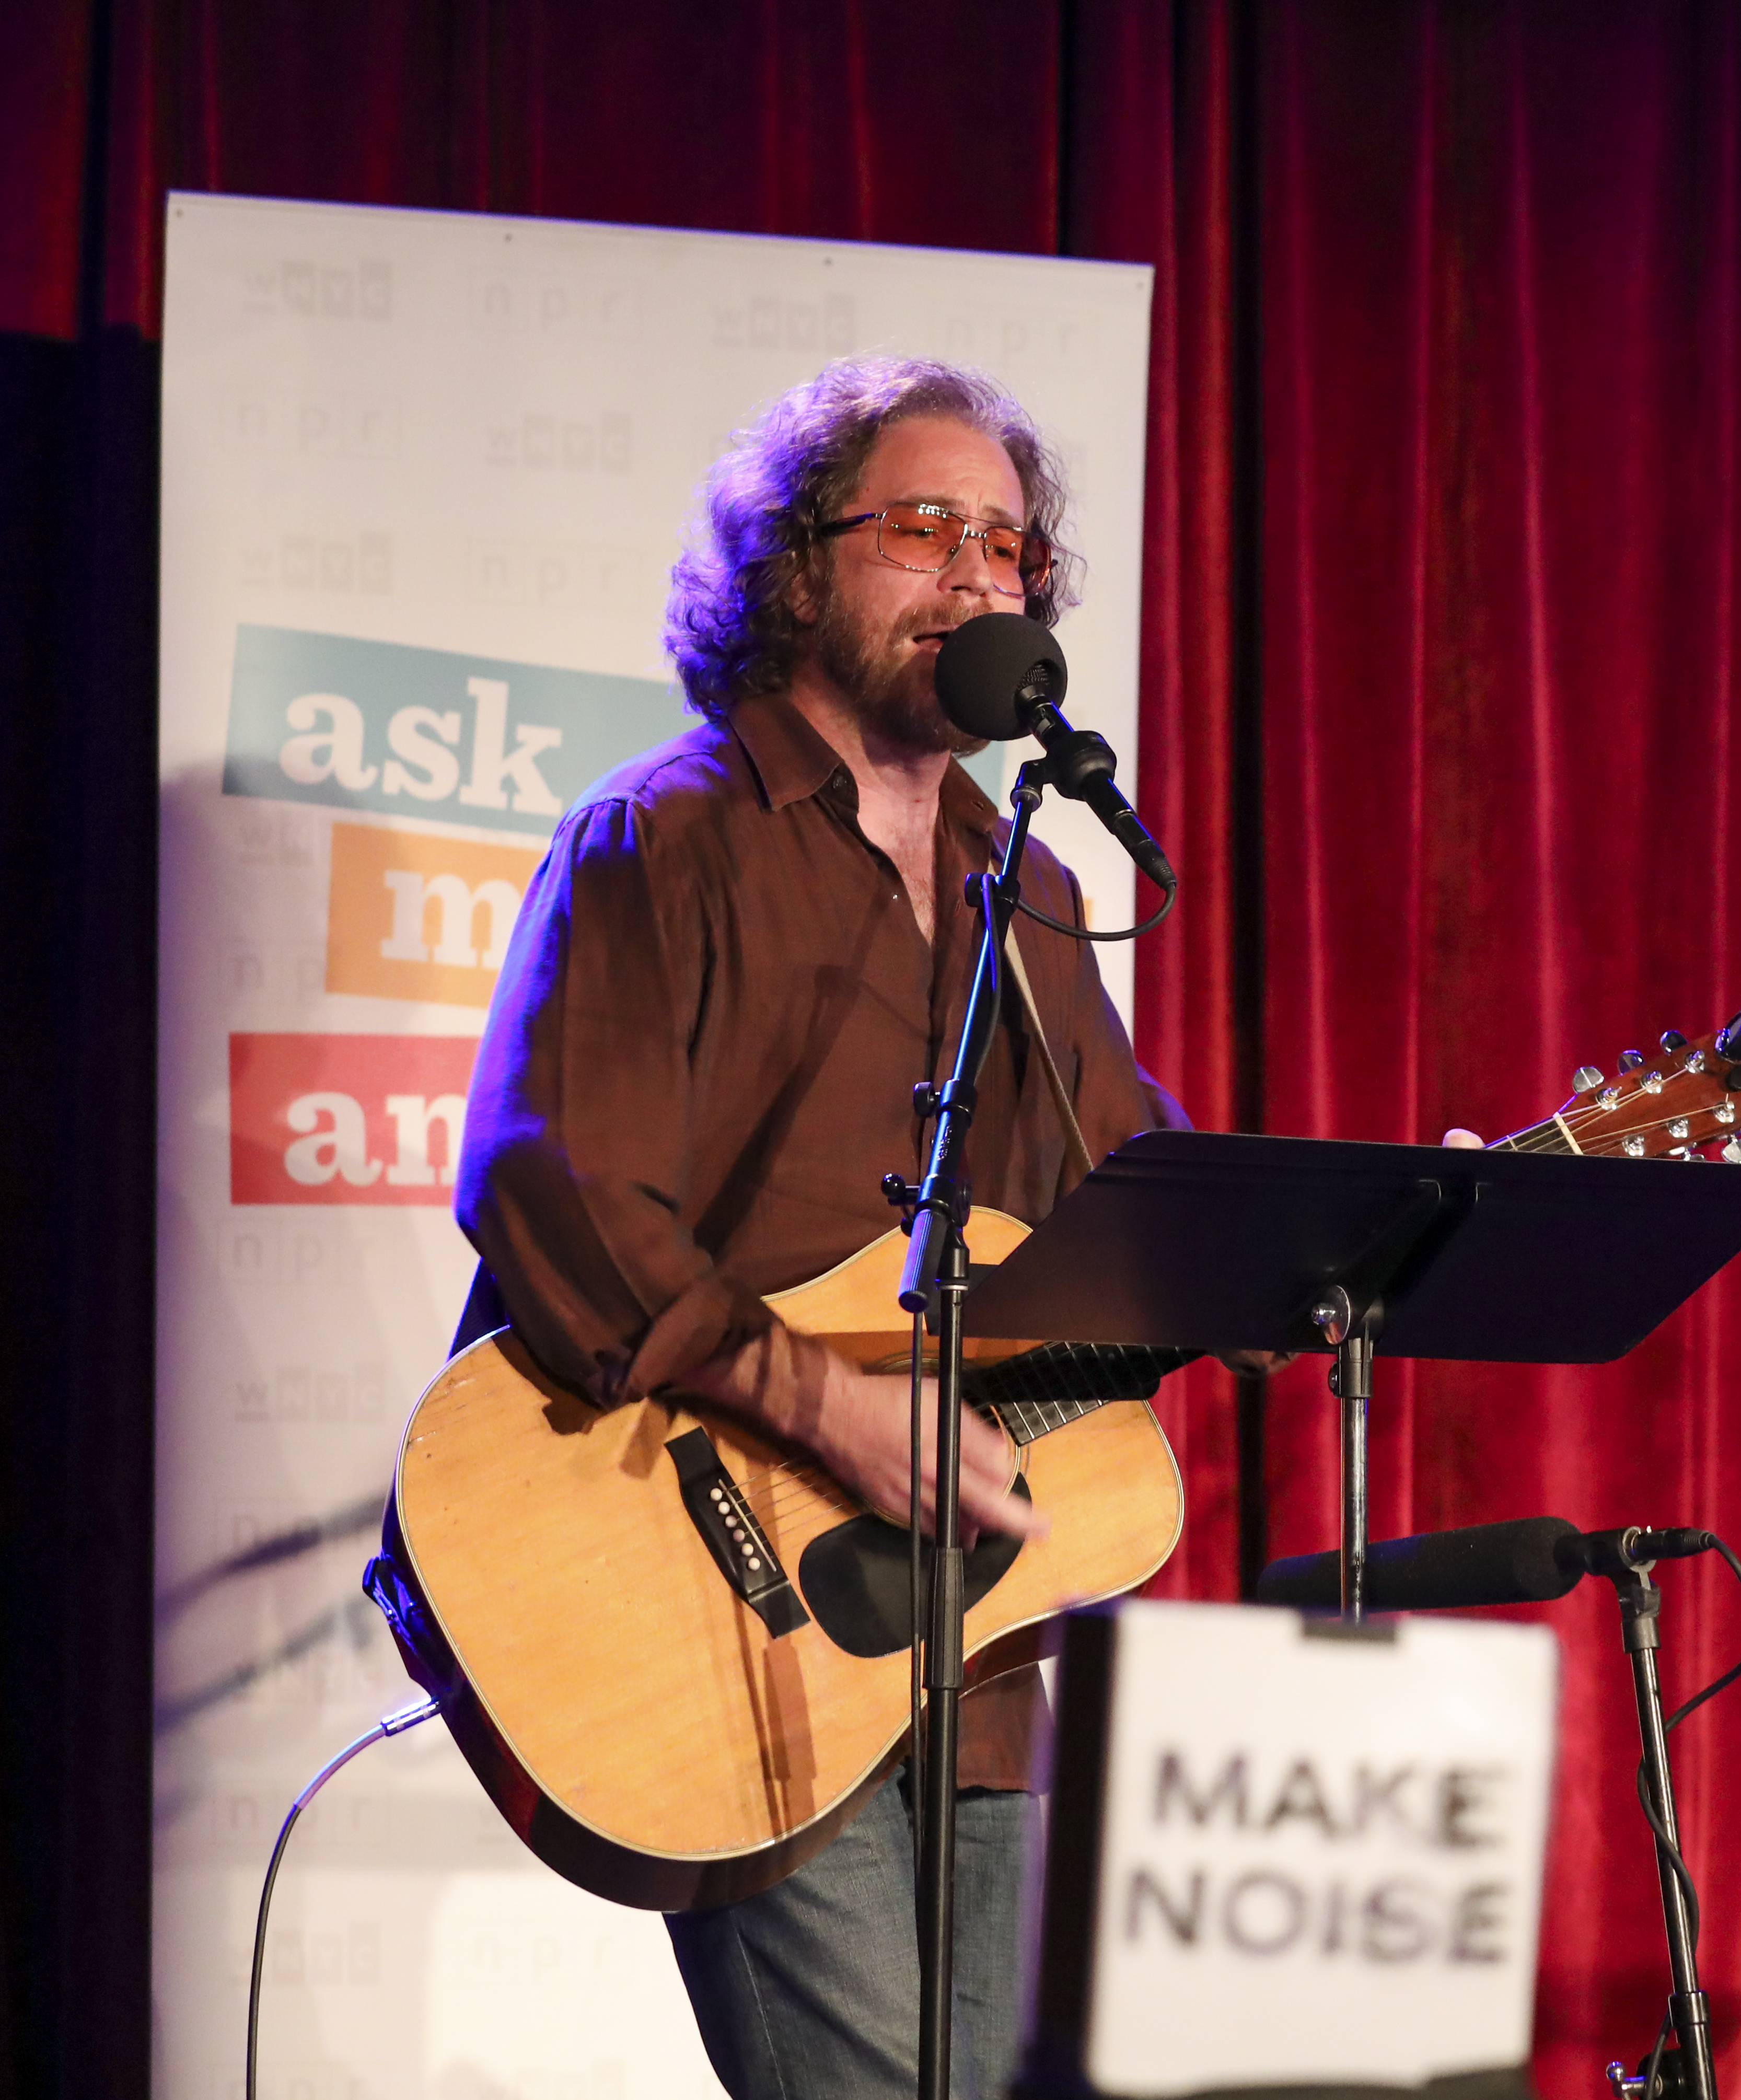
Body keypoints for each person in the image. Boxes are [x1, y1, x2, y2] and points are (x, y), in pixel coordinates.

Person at [452, 354, 1183, 2100]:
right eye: (923, 528)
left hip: (976, 1646)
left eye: (1008, 549)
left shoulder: (1038, 889)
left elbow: (1125, 1212)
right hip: (721, 1597)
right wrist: (828, 1402)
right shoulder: (667, 833)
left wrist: (1358, 1226)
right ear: (797, 565)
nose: (976, 578)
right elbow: (552, 1183)